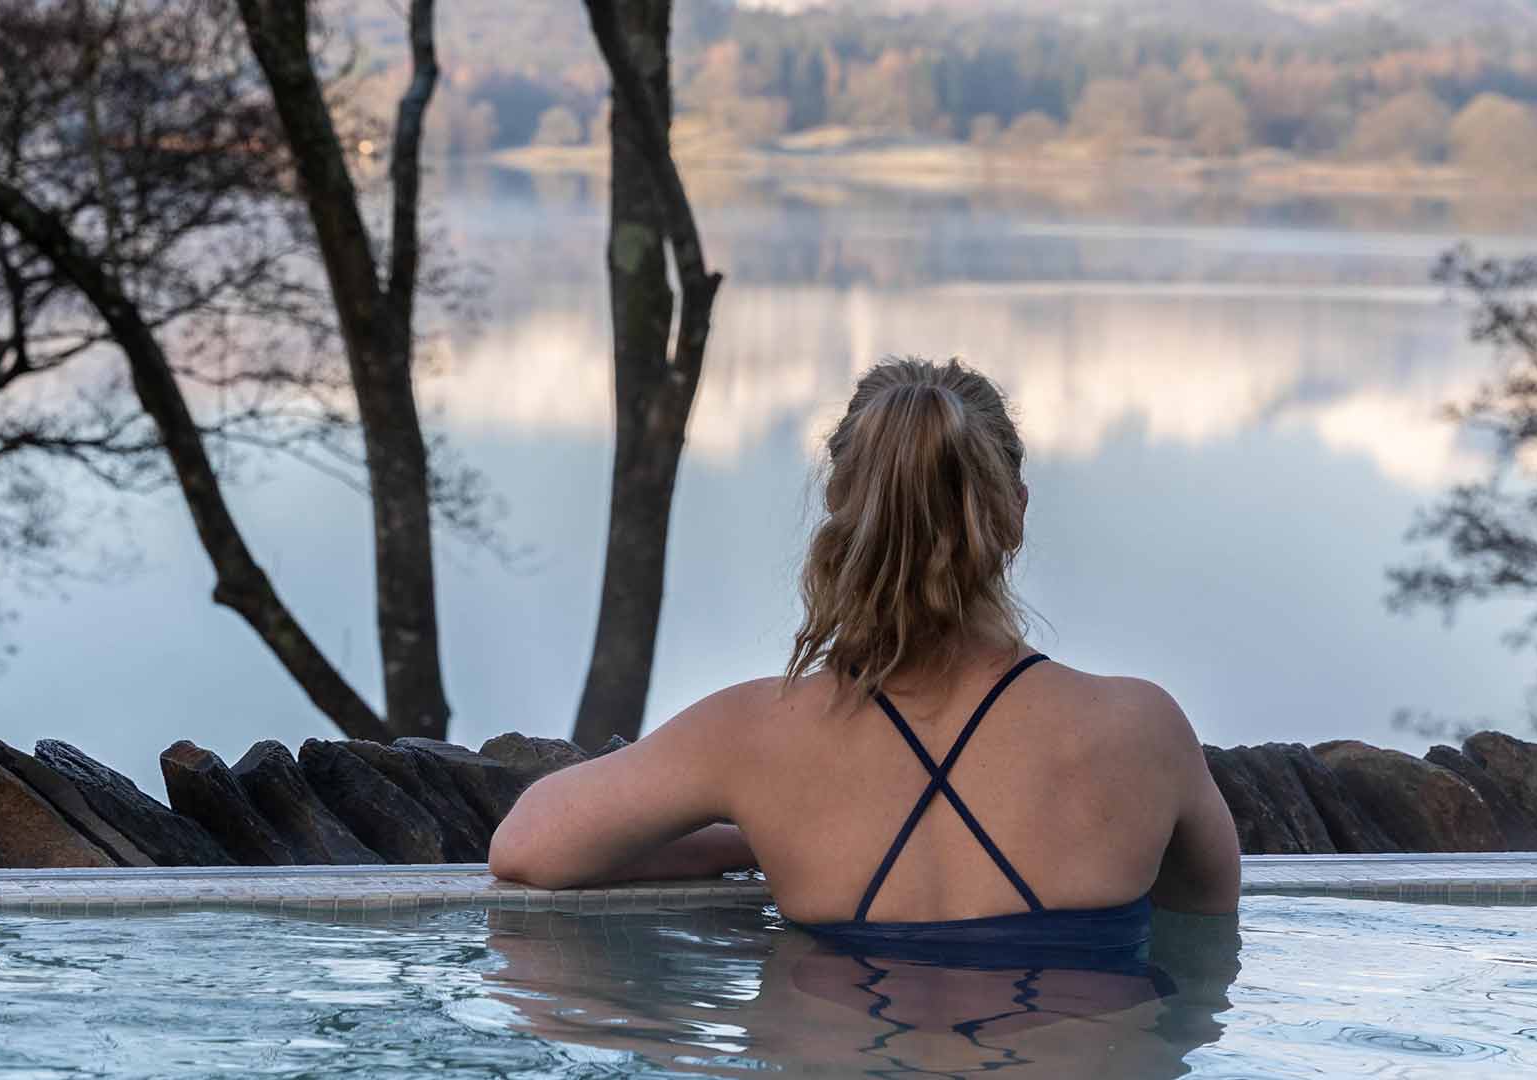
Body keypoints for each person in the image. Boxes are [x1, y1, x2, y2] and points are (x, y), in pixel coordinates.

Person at [490, 357, 1242, 948]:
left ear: (842, 514)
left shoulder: (756, 739)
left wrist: (745, 836)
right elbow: (1206, 932)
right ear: (1014, 513)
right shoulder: (1141, 732)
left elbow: (527, 849)